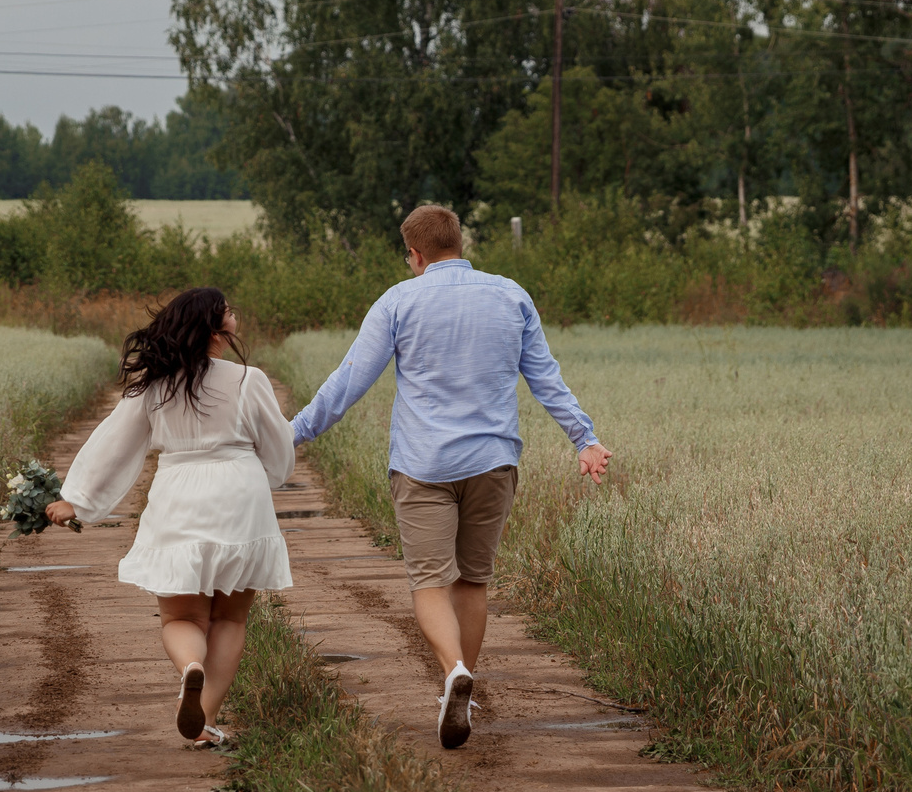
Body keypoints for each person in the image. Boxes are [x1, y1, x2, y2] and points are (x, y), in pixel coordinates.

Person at [290, 204, 609, 750]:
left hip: (423, 465)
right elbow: (544, 377)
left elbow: (349, 381)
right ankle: (461, 687)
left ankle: (454, 672)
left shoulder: (398, 300)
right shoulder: (511, 295)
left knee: (430, 581)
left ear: (414, 254)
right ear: (458, 243)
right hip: (493, 462)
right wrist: (585, 439)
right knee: (473, 580)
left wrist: (291, 435)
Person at [46, 287, 293, 747]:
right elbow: (278, 453)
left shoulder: (155, 384)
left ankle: (190, 668)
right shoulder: (248, 380)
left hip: (178, 493)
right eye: (229, 310)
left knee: (180, 618)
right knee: (230, 621)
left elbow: (113, 444)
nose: (235, 315)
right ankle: (205, 722)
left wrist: (77, 499)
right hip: (240, 496)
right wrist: (273, 475)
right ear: (215, 326)